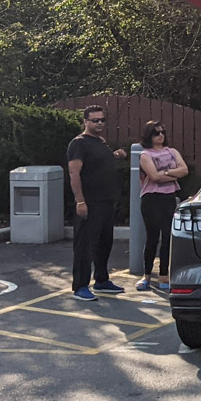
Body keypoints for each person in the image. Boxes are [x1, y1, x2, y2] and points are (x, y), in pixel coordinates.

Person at [67, 105, 128, 301]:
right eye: (95, 120)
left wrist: (115, 155)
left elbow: (99, 165)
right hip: (89, 202)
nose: (100, 123)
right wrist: (80, 201)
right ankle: (80, 286)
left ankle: (101, 280)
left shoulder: (100, 142)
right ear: (86, 121)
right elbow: (74, 173)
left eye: (102, 120)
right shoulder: (79, 143)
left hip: (106, 201)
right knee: (85, 245)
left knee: (104, 242)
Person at [136, 120, 188, 291]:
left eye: (162, 132)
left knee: (168, 236)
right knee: (152, 237)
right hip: (151, 198)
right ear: (149, 135)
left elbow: (184, 170)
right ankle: (147, 275)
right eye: (156, 133)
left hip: (168, 197)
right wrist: (173, 174)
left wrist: (165, 172)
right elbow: (153, 176)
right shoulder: (145, 155)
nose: (160, 136)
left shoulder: (172, 152)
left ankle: (164, 274)